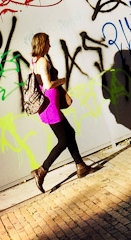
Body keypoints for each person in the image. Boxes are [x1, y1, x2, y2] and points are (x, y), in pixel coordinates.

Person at [30, 32, 94, 192]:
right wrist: (62, 81)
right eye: (48, 43)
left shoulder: (34, 60)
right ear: (42, 44)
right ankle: (41, 171)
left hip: (49, 104)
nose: (50, 46)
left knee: (69, 133)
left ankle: (80, 166)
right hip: (50, 104)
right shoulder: (43, 61)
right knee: (64, 140)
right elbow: (48, 84)